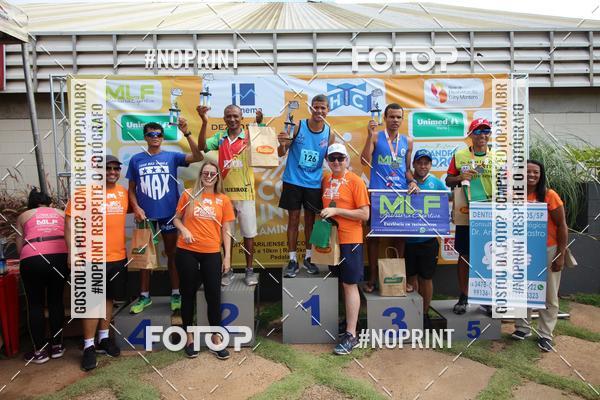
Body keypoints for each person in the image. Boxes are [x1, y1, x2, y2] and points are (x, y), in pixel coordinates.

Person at [127, 121, 203, 314]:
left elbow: (198, 157)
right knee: (144, 257)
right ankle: (144, 296)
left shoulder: (171, 156)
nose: (155, 137)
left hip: (169, 214)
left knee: (172, 254)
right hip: (146, 217)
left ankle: (176, 294)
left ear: (162, 137)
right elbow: (131, 189)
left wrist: (187, 133)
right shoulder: (136, 160)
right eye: (151, 134)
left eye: (159, 134)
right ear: (145, 137)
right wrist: (136, 207)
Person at [65, 155, 130, 371]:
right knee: (92, 302)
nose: (112, 172)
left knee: (108, 298)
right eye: (107, 168)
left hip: (117, 256)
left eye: (115, 168)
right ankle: (88, 346)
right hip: (90, 257)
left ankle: (103, 339)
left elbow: (135, 208)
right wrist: (72, 252)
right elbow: (69, 222)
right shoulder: (83, 192)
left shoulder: (123, 193)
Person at [173, 161, 234, 360]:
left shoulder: (223, 199)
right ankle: (189, 338)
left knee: (213, 296)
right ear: (200, 175)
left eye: (212, 174)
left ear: (217, 177)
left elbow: (226, 230)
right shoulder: (188, 194)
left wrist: (227, 257)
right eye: (205, 173)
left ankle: (215, 338)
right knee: (187, 294)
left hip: (211, 253)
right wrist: (184, 230)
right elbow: (176, 218)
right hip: (187, 251)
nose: (209, 177)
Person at [197, 104, 258, 286]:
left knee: (249, 235)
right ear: (224, 118)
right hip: (224, 196)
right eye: (228, 116)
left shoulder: (250, 136)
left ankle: (249, 271)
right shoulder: (219, 137)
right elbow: (201, 146)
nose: (232, 119)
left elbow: (268, 150)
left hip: (246, 194)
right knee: (226, 235)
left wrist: (260, 126)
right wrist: (204, 122)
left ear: (242, 118)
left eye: (235, 116)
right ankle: (227, 270)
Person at [360, 103, 419, 293]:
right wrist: (369, 135)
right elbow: (364, 161)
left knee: (399, 238)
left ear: (402, 119)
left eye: (398, 117)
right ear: (384, 118)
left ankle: (398, 278)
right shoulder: (376, 137)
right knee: (374, 238)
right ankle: (372, 278)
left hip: (399, 195)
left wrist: (412, 182)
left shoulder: (408, 141)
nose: (395, 120)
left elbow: (407, 170)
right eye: (391, 116)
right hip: (378, 194)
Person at [512, 160, 568, 352]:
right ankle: (522, 327)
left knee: (549, 293)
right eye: (527, 171)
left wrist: (561, 254)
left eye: (536, 172)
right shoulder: (513, 195)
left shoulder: (550, 195)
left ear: (541, 175)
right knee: (521, 289)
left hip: (547, 249)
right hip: (521, 249)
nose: (532, 175)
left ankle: (545, 334)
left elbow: (562, 225)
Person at [319, 143, 370, 355]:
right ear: (327, 161)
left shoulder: (355, 181)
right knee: (342, 283)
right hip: (332, 241)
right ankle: (348, 322)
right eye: (332, 158)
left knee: (350, 285)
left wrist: (337, 211)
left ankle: (351, 334)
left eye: (341, 158)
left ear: (347, 160)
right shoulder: (326, 179)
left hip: (350, 240)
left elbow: (365, 215)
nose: (337, 162)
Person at [277, 94, 335, 278]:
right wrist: (282, 144)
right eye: (316, 107)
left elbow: (330, 160)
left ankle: (309, 258)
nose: (319, 111)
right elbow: (281, 152)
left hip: (314, 184)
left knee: (311, 222)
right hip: (293, 181)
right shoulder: (298, 126)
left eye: (323, 108)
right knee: (293, 220)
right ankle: (292, 260)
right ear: (311, 108)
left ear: (328, 110)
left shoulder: (330, 133)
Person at [445, 117, 495, 314]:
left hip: (492, 211)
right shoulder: (460, 155)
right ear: (471, 135)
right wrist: (460, 177)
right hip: (467, 210)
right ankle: (464, 296)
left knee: (489, 255)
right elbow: (448, 180)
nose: (482, 135)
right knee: (464, 254)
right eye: (478, 131)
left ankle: (487, 298)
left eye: (486, 131)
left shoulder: (499, 156)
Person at [15, 188, 68, 364]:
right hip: (60, 257)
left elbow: (19, 246)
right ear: (49, 203)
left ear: (31, 204)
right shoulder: (61, 213)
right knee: (56, 301)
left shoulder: (24, 216)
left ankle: (39, 352)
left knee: (35, 305)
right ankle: (57, 346)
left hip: (32, 258)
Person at [405, 150, 448, 327]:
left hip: (428, 240)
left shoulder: (436, 183)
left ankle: (423, 314)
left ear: (430, 165)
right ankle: (412, 314)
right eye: (419, 163)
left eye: (426, 163)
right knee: (410, 279)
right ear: (414, 164)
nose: (423, 166)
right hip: (408, 240)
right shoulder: (406, 181)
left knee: (426, 279)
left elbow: (446, 202)